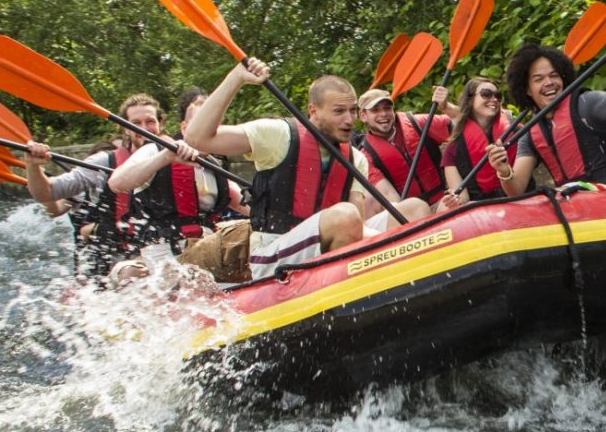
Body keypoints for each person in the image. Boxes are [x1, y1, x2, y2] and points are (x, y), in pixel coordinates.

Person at [185, 58, 430, 281]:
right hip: (273, 251)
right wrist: (236, 78)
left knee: (414, 207)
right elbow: (198, 138)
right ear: (313, 111)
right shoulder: (278, 134)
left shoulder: (356, 158)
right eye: (338, 111)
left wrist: (404, 237)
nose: (349, 120)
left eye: (353, 110)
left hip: (328, 242)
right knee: (344, 216)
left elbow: (356, 224)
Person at [104, 88, 250, 285]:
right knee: (126, 272)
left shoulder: (215, 166)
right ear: (184, 128)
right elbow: (116, 183)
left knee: (250, 229)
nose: (208, 130)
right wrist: (165, 157)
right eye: (201, 123)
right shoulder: (154, 151)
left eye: (214, 124)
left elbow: (248, 206)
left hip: (205, 256)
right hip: (164, 259)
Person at [484, 26, 606, 198]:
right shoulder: (531, 133)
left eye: (554, 75)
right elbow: (516, 190)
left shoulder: (587, 103)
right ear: (527, 89)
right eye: (539, 79)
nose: (549, 82)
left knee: (562, 194)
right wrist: (504, 171)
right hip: (572, 205)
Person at [24, 93, 163, 284]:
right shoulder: (102, 163)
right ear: (125, 129)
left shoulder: (176, 160)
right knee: (130, 273)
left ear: (160, 124)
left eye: (150, 121)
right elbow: (46, 193)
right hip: (112, 264)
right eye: (135, 123)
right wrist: (33, 166)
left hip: (161, 256)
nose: (144, 129)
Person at [356, 86, 459, 213]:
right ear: (363, 116)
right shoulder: (365, 156)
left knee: (447, 206)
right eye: (375, 110)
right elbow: (390, 196)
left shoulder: (417, 123)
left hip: (445, 200)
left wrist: (446, 107)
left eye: (387, 108)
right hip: (413, 212)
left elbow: (463, 122)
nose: (383, 114)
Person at [439, 78, 519, 208]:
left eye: (497, 95)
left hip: (518, 202)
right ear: (470, 100)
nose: (494, 99)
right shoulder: (452, 149)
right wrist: (455, 200)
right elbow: (462, 197)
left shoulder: (517, 132)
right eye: (486, 94)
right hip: (481, 211)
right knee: (443, 207)